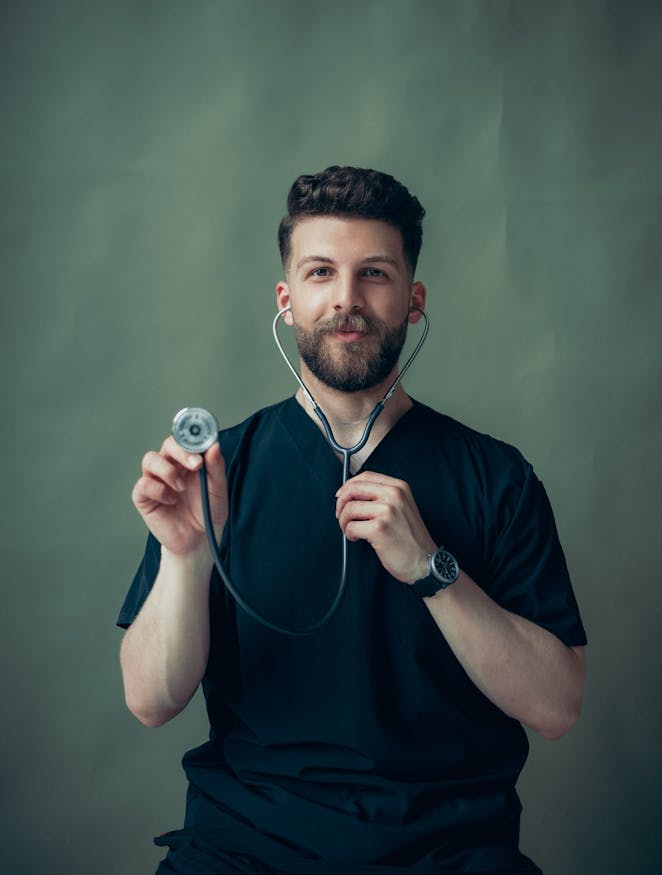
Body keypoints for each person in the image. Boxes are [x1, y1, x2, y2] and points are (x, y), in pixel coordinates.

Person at [118, 166, 587, 875]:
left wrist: (432, 570)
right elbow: (151, 701)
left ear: (413, 300)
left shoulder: (497, 477)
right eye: (320, 272)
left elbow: (557, 706)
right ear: (287, 301)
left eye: (374, 273)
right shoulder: (214, 474)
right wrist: (186, 554)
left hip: (448, 855)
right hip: (243, 852)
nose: (346, 299)